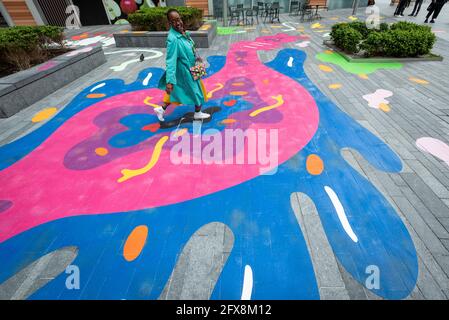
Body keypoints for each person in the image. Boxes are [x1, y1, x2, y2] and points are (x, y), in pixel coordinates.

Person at [155, 8, 209, 122]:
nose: (178, 22)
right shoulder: (173, 38)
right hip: (184, 70)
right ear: (170, 23)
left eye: (179, 19)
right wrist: (169, 81)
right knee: (196, 91)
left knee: (178, 91)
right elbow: (170, 61)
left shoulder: (183, 32)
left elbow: (189, 46)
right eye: (174, 21)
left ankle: (161, 109)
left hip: (190, 67)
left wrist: (195, 56)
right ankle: (198, 113)